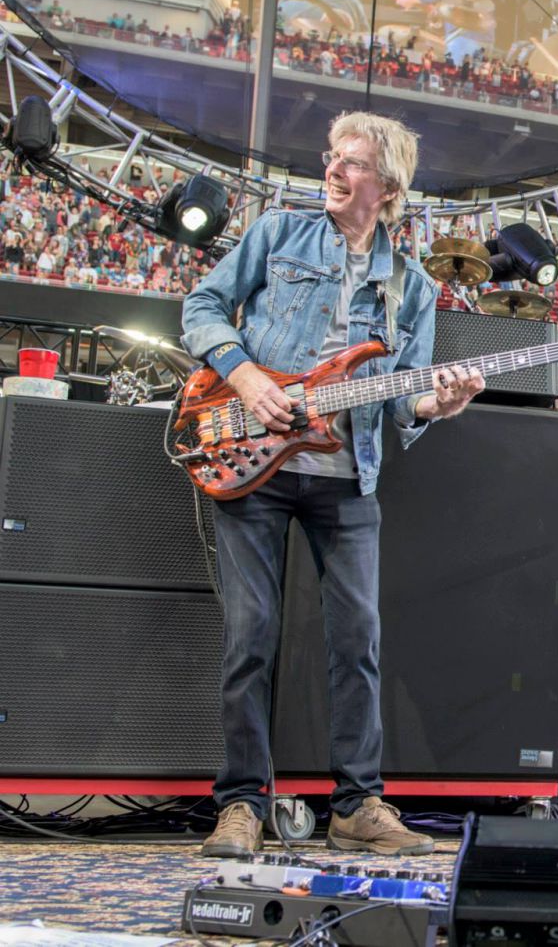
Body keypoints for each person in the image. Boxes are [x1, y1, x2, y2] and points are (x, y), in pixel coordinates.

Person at [182, 112, 485, 858]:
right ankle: (243, 805)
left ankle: (355, 804)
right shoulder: (278, 235)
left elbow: (400, 394)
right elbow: (202, 306)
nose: (333, 169)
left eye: (350, 162)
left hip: (347, 477)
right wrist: (248, 380)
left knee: (359, 640)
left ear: (386, 188)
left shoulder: (409, 287)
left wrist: (437, 402)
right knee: (252, 634)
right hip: (251, 462)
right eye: (332, 156)